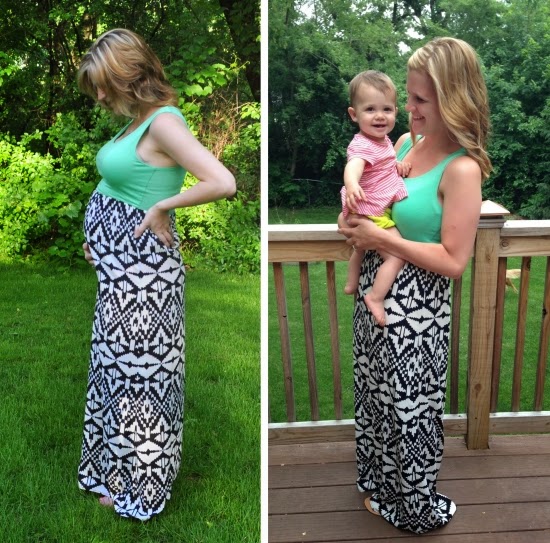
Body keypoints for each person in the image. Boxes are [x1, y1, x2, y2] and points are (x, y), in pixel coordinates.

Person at [76, 28, 236, 520]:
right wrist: (99, 242)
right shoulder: (136, 123)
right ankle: (113, 472)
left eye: (103, 85)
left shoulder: (163, 122)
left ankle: (140, 485)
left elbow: (222, 181)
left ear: (128, 75)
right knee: (115, 372)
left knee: (141, 380)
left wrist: (165, 206)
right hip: (120, 270)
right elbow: (122, 188)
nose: (99, 97)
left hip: (144, 278)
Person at [338, 37, 491, 533]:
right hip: (376, 296)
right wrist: (354, 222)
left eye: (421, 99)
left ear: (453, 99)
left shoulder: (462, 169)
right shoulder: (404, 144)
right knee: (376, 399)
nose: (408, 108)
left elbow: (454, 261)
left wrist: (380, 240)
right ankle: (381, 486)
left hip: (417, 312)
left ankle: (413, 505)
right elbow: (375, 201)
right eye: (408, 96)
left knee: (411, 411)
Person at [338, 70, 410, 326]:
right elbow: (354, 166)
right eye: (370, 109)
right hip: (370, 211)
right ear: (354, 114)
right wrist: (352, 184)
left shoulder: (384, 142)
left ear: (395, 112)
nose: (380, 116)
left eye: (386, 109)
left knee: (360, 247)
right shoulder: (363, 144)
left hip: (365, 210)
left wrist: (397, 166)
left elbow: (381, 166)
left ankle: (351, 283)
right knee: (397, 256)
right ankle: (376, 297)